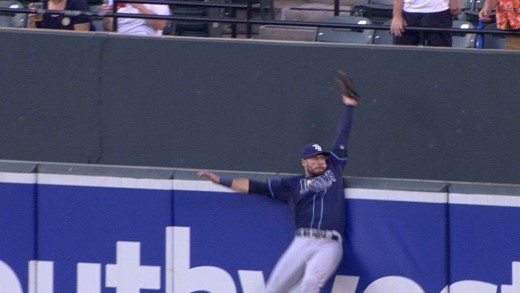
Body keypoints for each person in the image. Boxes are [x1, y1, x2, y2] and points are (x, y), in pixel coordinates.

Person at [197, 71, 360, 293]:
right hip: (303, 241)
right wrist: (221, 181)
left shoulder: (335, 167)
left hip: (330, 244)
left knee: (310, 283)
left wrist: (348, 106)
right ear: (304, 162)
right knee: (273, 289)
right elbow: (257, 187)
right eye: (315, 159)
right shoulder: (292, 185)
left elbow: (342, 135)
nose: (320, 161)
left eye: (322, 157)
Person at [390, 0, 461, 46]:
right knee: (402, 54)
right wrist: (397, 15)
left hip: (439, 12)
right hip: (409, 14)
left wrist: (454, 5)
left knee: (440, 55)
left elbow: (454, 7)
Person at [101, 0, 170, 35]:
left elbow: (161, 25)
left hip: (146, 40)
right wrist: (108, 15)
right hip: (119, 40)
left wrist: (138, 5)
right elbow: (108, 30)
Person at [27, 0, 93, 31]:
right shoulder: (41, 5)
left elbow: (82, 39)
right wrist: (31, 21)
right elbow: (34, 37)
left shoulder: (78, 4)